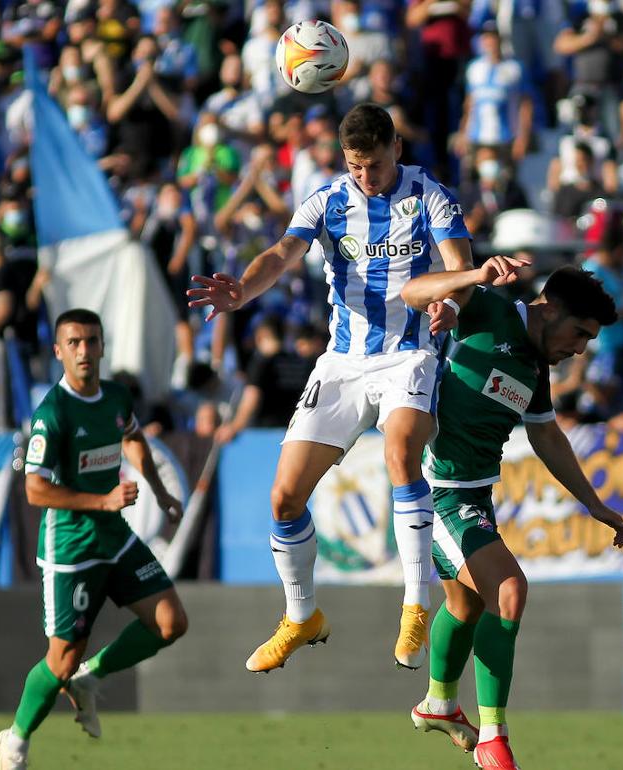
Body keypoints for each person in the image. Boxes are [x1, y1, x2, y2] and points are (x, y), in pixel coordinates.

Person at [188, 103, 473, 672]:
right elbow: (281, 253)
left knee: (400, 453)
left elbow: (461, 265)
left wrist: (451, 303)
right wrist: (243, 290)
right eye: (354, 165)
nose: (363, 176)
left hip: (408, 354)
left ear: (396, 147)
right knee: (284, 497)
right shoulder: (327, 199)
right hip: (342, 364)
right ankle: (302, 616)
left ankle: (415, 604)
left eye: (372, 164)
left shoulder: (430, 194)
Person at [399, 262, 623, 770]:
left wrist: (594, 504)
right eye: (580, 333)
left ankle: (438, 704)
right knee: (507, 590)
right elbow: (412, 291)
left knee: (465, 608)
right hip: (433, 490)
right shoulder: (487, 309)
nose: (581, 349)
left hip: (475, 497)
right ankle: (493, 740)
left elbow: (546, 436)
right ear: (550, 310)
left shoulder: (535, 368)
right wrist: (469, 278)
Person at [0, 309, 188, 770]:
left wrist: (160, 493)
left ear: (102, 347)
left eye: (91, 341)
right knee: (60, 659)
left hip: (114, 537)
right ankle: (15, 741)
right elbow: (34, 488)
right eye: (74, 343)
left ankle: (90, 680)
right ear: (59, 351)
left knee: (170, 622)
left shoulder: (116, 396)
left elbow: (133, 436)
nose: (84, 351)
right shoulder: (54, 412)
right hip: (71, 547)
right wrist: (101, 502)